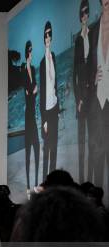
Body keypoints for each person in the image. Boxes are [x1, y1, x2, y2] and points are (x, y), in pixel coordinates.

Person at [88, 0, 109, 187]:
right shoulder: (93, 30)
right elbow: (86, 65)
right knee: (97, 154)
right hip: (97, 102)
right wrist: (92, 77)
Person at [73, 0, 92, 183]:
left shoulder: (92, 35)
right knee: (81, 140)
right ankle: (80, 179)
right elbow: (74, 73)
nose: (85, 15)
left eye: (87, 12)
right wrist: (78, 99)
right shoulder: (78, 39)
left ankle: (91, 181)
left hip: (92, 95)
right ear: (80, 16)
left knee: (93, 140)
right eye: (83, 12)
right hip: (81, 98)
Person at [40, 21, 60, 180]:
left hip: (54, 107)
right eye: (46, 34)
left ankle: (52, 180)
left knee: (55, 146)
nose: (48, 37)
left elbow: (54, 85)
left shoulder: (53, 57)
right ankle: (46, 180)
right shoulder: (41, 63)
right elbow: (42, 95)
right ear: (43, 38)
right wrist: (44, 120)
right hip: (47, 111)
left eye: (50, 34)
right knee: (47, 147)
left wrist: (58, 108)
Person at [24, 40, 41, 190]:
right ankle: (29, 186)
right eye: (29, 50)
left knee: (36, 148)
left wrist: (33, 93)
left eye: (32, 50)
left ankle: (35, 184)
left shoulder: (33, 69)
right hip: (28, 115)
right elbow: (28, 92)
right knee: (29, 151)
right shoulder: (24, 69)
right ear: (25, 52)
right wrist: (32, 92)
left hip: (33, 112)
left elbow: (33, 90)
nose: (31, 53)